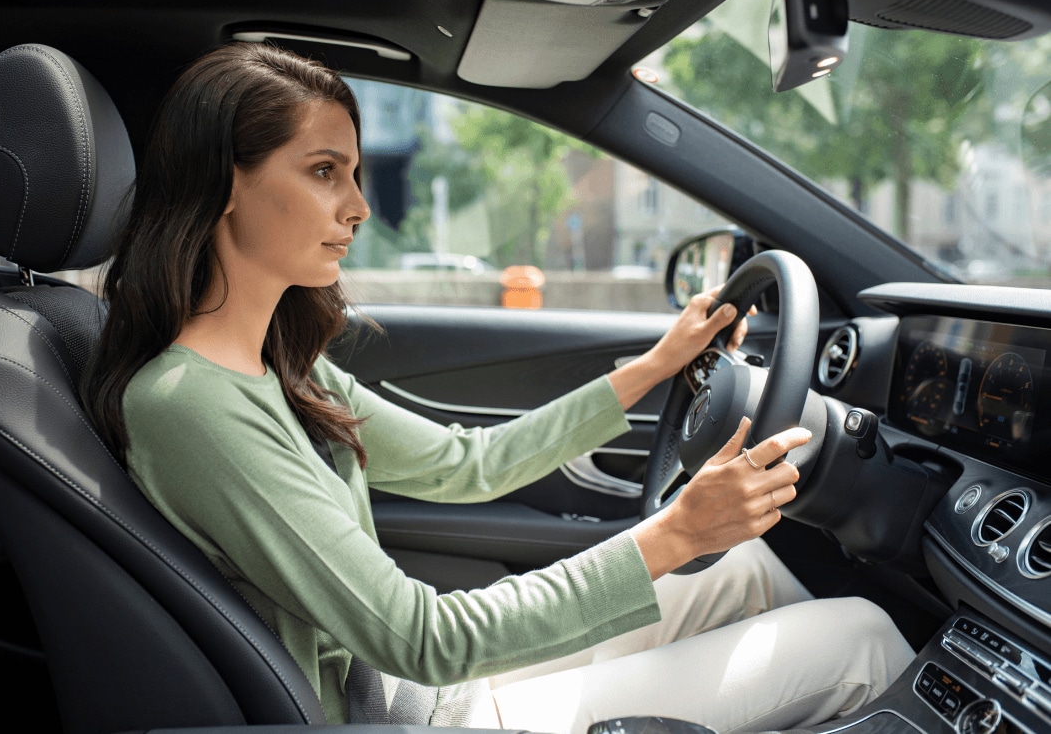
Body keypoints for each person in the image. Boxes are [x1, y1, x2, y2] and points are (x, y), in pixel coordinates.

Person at [82, 42, 914, 734]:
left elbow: (465, 464)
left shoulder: (276, 363)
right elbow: (419, 637)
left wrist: (655, 368)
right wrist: (673, 535)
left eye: (355, 172)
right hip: (413, 714)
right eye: (325, 171)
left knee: (747, 573)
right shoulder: (189, 404)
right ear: (227, 183)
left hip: (418, 692)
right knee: (863, 637)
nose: (361, 205)